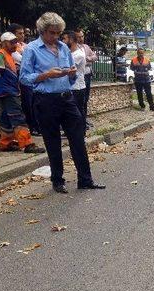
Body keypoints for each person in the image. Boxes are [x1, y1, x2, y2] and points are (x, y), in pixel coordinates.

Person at [19, 12, 105, 194]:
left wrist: (71, 74)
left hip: (67, 97)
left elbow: (70, 77)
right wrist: (46, 75)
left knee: (78, 139)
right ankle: (58, 181)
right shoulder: (32, 49)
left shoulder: (64, 48)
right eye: (52, 33)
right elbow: (25, 78)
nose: (56, 37)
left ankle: (85, 180)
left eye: (58, 33)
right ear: (42, 31)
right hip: (45, 100)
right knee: (53, 141)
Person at [0, 32, 45, 154]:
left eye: (15, 42)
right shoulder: (1, 55)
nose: (15, 45)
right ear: (3, 43)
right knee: (17, 116)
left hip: (7, 91)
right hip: (7, 92)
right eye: (12, 42)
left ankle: (6, 143)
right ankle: (27, 144)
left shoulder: (8, 55)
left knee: (7, 118)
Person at [8, 23, 40, 136]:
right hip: (21, 78)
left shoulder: (25, 46)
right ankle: (32, 127)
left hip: (32, 77)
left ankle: (37, 125)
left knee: (34, 102)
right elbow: (23, 61)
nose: (22, 35)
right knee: (27, 103)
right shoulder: (12, 48)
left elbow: (35, 59)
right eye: (19, 33)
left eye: (23, 33)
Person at [74, 29, 97, 126]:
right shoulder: (74, 48)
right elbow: (78, 60)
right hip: (79, 76)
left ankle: (84, 119)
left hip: (87, 75)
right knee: (80, 100)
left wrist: (87, 58)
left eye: (82, 36)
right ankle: (79, 121)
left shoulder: (86, 47)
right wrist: (86, 60)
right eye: (78, 37)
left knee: (86, 99)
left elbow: (95, 57)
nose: (81, 38)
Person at [67, 31, 88, 126]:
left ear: (71, 40)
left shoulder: (78, 54)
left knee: (78, 110)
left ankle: (81, 131)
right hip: (71, 87)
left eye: (64, 39)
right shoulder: (70, 53)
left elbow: (67, 69)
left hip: (77, 87)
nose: (62, 41)